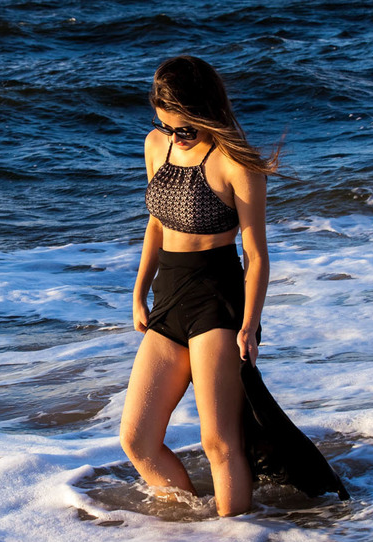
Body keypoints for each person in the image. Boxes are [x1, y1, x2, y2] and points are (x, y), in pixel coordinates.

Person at [120, 55, 279, 517]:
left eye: (184, 129)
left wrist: (249, 325)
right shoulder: (156, 147)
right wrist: (139, 290)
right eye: (167, 127)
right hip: (169, 296)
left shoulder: (236, 164)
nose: (175, 137)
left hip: (219, 300)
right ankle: (191, 532)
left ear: (206, 112)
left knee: (219, 441)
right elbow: (156, 221)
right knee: (138, 439)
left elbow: (256, 254)